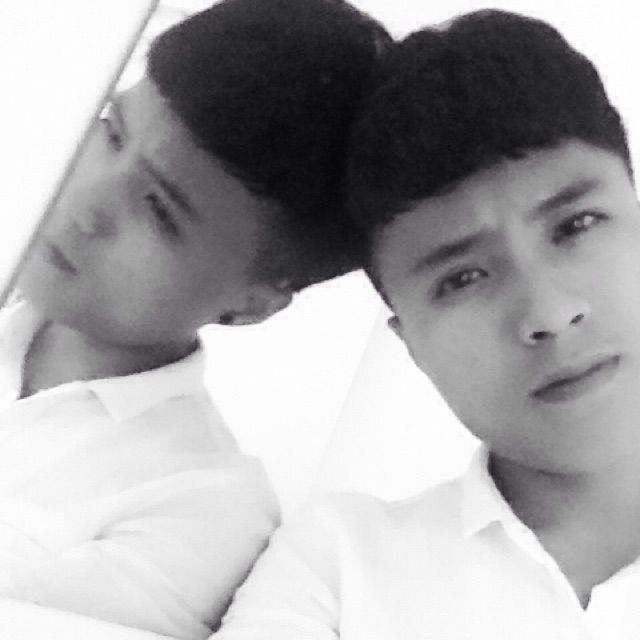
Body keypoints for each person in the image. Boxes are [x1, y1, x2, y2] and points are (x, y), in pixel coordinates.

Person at [214, 9, 640, 639]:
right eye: (462, 278)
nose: (548, 313)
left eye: (575, 226)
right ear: (409, 343)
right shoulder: (341, 566)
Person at [0, 0, 389, 637]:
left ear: (254, 302)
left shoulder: (206, 511)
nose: (87, 202)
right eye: (111, 132)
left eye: (158, 209)